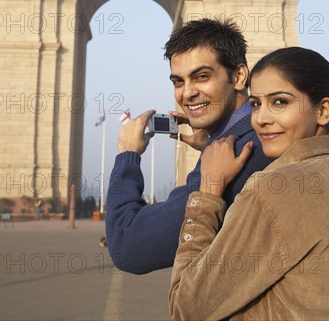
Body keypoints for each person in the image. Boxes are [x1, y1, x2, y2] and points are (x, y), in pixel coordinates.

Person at [169, 47, 329, 320]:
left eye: (279, 102)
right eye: (255, 104)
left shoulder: (272, 190)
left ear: (323, 110)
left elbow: (186, 307)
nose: (261, 119)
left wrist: (208, 190)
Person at [106, 18, 271, 273]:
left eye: (202, 76)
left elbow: (128, 245)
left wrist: (128, 154)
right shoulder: (263, 133)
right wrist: (210, 142)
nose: (188, 93)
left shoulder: (235, 155)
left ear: (238, 76)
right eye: (178, 82)